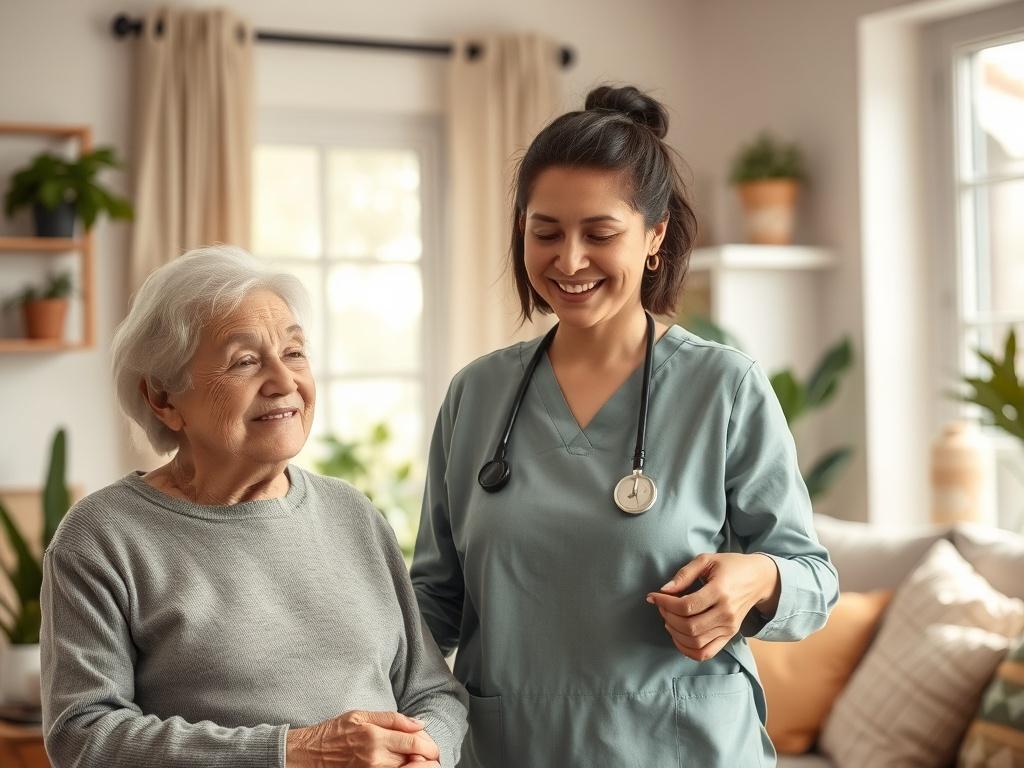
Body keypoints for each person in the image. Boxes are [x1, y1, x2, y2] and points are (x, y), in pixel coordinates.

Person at [410, 86, 839, 767]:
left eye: (599, 234)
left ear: (655, 236)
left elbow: (814, 579)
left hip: (683, 748)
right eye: (544, 231)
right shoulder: (477, 395)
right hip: (515, 747)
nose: (569, 260)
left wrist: (756, 578)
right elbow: (432, 601)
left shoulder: (722, 388)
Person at [41, 245, 467, 768]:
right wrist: (291, 752)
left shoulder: (351, 514)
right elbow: (84, 736)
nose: (285, 382)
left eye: (293, 353)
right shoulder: (104, 536)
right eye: (245, 361)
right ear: (163, 399)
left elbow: (433, 693)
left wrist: (425, 754)